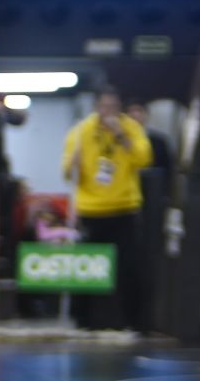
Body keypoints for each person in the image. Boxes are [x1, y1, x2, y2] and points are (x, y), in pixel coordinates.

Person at [61, 88, 153, 332]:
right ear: (96, 107)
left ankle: (131, 321)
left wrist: (121, 135)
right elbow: (67, 172)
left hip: (124, 207)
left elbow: (144, 158)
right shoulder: (81, 131)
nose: (108, 112)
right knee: (89, 268)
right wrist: (74, 161)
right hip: (92, 209)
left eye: (113, 107)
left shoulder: (131, 128)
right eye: (104, 107)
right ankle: (85, 322)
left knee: (129, 268)